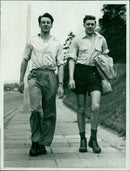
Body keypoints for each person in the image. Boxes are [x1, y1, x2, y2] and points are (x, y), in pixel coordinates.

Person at [19, 13, 64, 156]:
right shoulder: (32, 41)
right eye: (43, 22)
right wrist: (21, 80)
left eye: (48, 22)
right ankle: (35, 141)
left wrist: (61, 84)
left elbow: (61, 64)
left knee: (49, 112)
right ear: (39, 24)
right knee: (36, 110)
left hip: (50, 76)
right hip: (35, 76)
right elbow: (25, 60)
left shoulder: (57, 43)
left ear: (51, 25)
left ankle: (43, 143)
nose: (45, 24)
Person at [68, 15, 109, 153]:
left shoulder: (101, 39)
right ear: (84, 25)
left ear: (95, 24)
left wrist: (106, 75)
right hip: (80, 72)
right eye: (88, 24)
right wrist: (71, 78)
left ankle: (94, 138)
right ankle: (82, 140)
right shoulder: (77, 40)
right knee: (80, 109)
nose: (90, 26)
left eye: (92, 24)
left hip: (94, 73)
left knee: (96, 106)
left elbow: (106, 57)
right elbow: (72, 59)